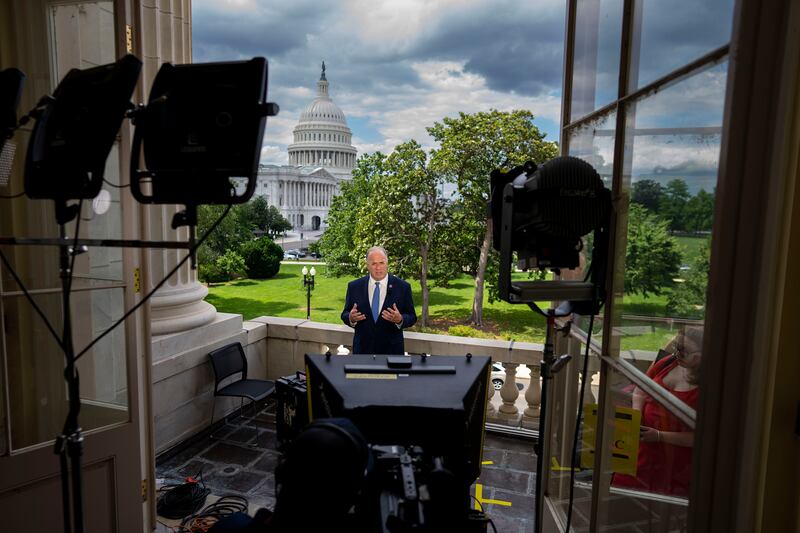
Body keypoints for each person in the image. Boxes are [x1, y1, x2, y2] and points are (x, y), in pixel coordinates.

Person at [612, 326, 702, 497]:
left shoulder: (712, 384)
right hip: (642, 450)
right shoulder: (668, 362)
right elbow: (640, 389)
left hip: (675, 463)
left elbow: (705, 437)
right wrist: (636, 416)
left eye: (684, 351)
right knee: (620, 494)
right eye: (676, 347)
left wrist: (660, 436)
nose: (677, 353)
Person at [341, 246, 417, 355]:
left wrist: (400, 319)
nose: (378, 268)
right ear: (367, 265)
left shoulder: (402, 287)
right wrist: (351, 318)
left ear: (387, 263)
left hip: (391, 353)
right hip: (362, 352)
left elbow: (412, 317)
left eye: (381, 263)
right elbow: (345, 313)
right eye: (374, 264)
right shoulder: (354, 287)